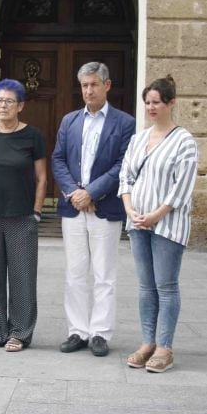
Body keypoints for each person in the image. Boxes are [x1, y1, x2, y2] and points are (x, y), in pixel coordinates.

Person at [51, 62, 135, 357]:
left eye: (94, 85)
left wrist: (92, 192)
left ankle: (100, 332)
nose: (88, 90)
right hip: (74, 207)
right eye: (85, 85)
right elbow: (58, 159)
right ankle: (77, 331)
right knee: (74, 273)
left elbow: (123, 164)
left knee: (104, 274)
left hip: (104, 207)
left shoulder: (125, 123)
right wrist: (75, 193)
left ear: (107, 85)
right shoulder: (70, 121)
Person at [119, 75, 198, 373]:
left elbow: (182, 188)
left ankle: (165, 346)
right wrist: (130, 209)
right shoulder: (138, 139)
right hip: (138, 222)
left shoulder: (184, 141)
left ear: (171, 103)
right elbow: (125, 177)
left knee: (166, 286)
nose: (151, 107)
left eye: (157, 102)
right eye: (148, 102)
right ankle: (147, 342)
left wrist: (156, 214)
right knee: (145, 286)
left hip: (168, 224)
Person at [0, 78, 47, 352]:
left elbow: (41, 178)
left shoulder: (32, 136)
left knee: (22, 276)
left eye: (9, 101)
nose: (3, 106)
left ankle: (19, 333)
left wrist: (36, 211)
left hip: (22, 217)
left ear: (20, 106)